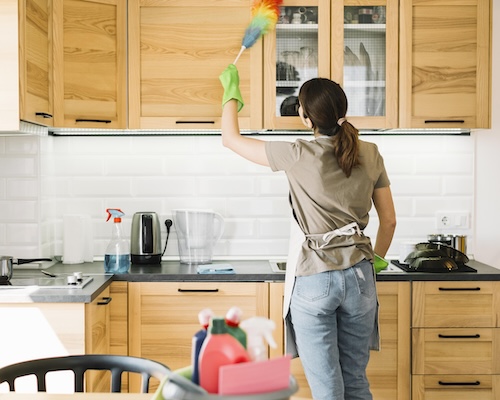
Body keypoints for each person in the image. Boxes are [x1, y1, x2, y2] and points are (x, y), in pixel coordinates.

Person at [219, 64, 396, 400]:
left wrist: (231, 93)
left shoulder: (297, 152)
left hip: (316, 278)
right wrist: (377, 260)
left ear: (304, 116)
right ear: (342, 112)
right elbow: (389, 221)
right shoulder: (370, 153)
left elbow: (231, 139)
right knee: (356, 381)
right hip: (360, 277)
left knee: (328, 388)